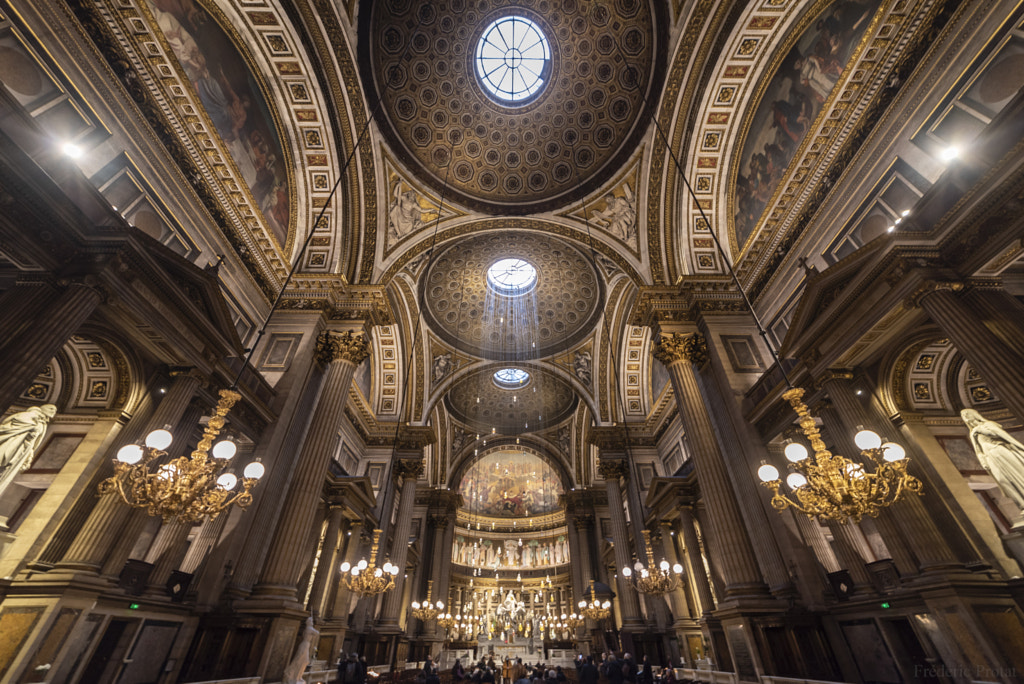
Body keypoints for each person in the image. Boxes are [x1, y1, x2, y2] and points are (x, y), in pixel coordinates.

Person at [961, 409, 1024, 511]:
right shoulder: (972, 433)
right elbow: (978, 450)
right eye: (963, 416)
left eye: (967, 414)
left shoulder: (988, 424)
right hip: (990, 457)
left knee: (1018, 473)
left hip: (1001, 452)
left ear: (974, 415)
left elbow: (1001, 435)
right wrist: (982, 460)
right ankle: (1021, 504)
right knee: (1002, 479)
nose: (965, 417)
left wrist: (981, 430)